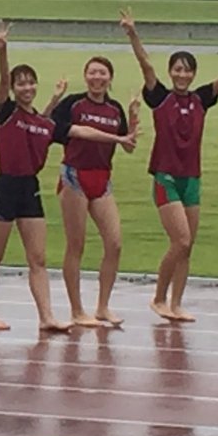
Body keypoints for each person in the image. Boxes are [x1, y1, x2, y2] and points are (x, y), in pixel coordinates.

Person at [0, 21, 136, 333]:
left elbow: (82, 131)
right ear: (13, 88)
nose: (26, 88)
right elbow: (2, 82)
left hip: (30, 189)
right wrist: (3, 51)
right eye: (20, 84)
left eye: (30, 83)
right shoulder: (6, 112)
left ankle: (47, 317)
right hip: (5, 188)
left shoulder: (45, 124)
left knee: (38, 258)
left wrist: (119, 138)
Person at [120, 8, 218, 323]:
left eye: (188, 70)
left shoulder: (200, 99)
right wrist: (132, 33)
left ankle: (177, 303)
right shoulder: (160, 97)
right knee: (179, 240)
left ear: (193, 74)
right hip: (166, 177)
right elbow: (146, 64)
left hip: (191, 177)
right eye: (177, 69)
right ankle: (158, 297)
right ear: (171, 72)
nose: (182, 75)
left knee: (187, 246)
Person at [50, 57, 140, 327]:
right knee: (76, 245)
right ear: (85, 76)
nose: (97, 78)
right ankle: (77, 310)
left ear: (110, 78)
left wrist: (133, 116)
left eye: (102, 73)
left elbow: (128, 145)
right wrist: (55, 98)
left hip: (102, 179)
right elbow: (63, 130)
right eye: (92, 73)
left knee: (115, 243)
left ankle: (102, 307)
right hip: (74, 176)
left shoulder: (114, 109)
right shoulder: (73, 104)